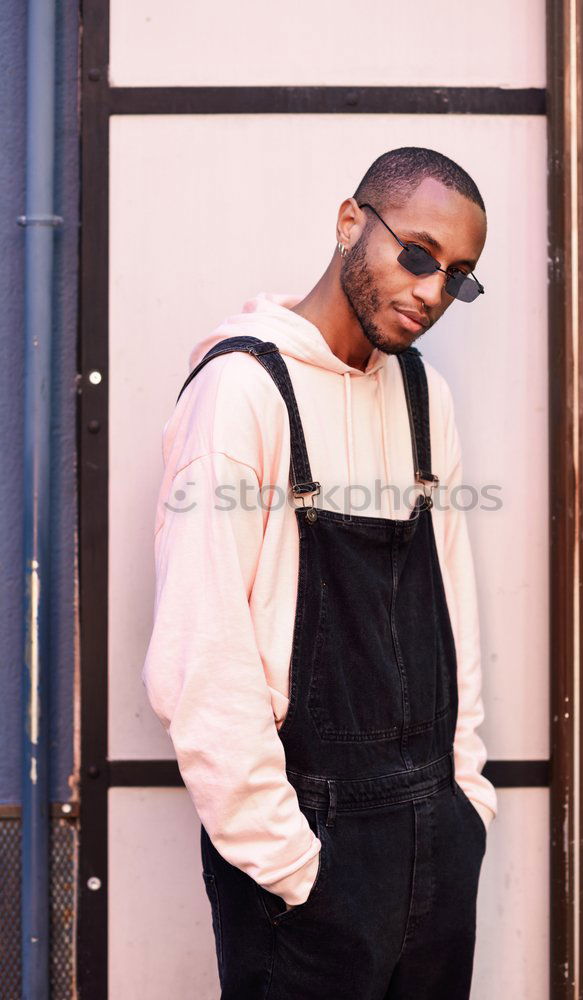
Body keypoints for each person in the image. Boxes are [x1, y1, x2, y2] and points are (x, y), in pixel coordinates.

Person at [142, 146, 497, 1000]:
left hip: (433, 846)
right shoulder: (241, 391)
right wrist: (296, 869)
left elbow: (454, 604)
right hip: (306, 853)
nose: (429, 292)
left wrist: (464, 804)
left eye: (457, 277)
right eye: (416, 255)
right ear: (349, 223)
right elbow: (200, 659)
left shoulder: (422, 398)